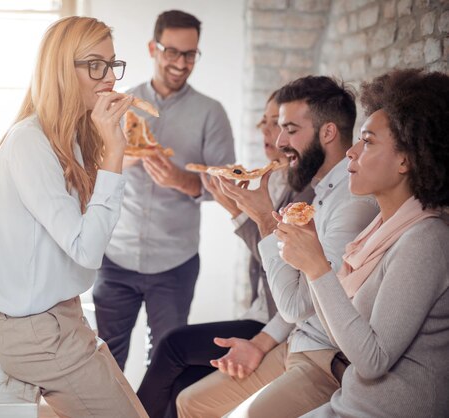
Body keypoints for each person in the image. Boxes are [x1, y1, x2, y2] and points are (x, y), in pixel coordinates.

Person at [176, 75, 379, 418]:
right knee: (190, 402)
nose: (280, 141)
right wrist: (259, 343)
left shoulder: (352, 203)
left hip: (323, 358)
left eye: (290, 129)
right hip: (293, 343)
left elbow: (298, 304)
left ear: (327, 133)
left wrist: (265, 221)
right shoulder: (322, 191)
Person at [0, 16, 147, 418]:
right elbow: (86, 250)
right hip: (41, 335)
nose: (108, 77)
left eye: (111, 64)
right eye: (95, 64)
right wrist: (114, 152)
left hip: (63, 322)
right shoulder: (29, 142)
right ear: (60, 68)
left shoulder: (69, 138)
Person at [275, 68, 449, 418]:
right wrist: (313, 258)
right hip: (351, 405)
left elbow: (372, 361)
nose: (351, 152)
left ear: (406, 159)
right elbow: (341, 332)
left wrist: (316, 266)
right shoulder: (383, 227)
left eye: (367, 142)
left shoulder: (426, 240)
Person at [136, 91, 314, 418]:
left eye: (280, 124)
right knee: (181, 384)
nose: (268, 132)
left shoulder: (305, 194)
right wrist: (238, 210)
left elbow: (283, 268)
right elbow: (268, 258)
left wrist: (244, 214)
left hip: (276, 321)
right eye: (266, 122)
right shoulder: (278, 182)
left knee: (171, 345)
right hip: (266, 312)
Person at [93, 9, 235, 370]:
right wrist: (121, 158)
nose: (180, 63)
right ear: (153, 48)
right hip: (114, 257)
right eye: (172, 51)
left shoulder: (211, 113)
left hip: (175, 264)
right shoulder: (117, 104)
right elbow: (88, 170)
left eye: (190, 54)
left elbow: (226, 186)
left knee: (167, 362)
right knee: (105, 360)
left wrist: (180, 179)